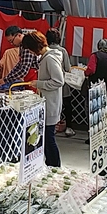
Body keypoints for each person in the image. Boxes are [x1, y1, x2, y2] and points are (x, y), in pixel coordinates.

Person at [23, 31, 65, 167]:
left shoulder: (50, 59)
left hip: (51, 104)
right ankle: (51, 165)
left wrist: (39, 84)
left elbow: (59, 81)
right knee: (46, 138)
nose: (30, 52)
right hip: (49, 103)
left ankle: (55, 167)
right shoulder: (47, 57)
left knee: (49, 139)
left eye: (30, 49)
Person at [46, 28, 76, 137]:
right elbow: (68, 68)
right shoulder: (62, 51)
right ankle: (69, 127)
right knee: (67, 105)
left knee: (50, 106)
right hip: (62, 83)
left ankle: (51, 127)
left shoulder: (46, 50)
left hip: (48, 83)